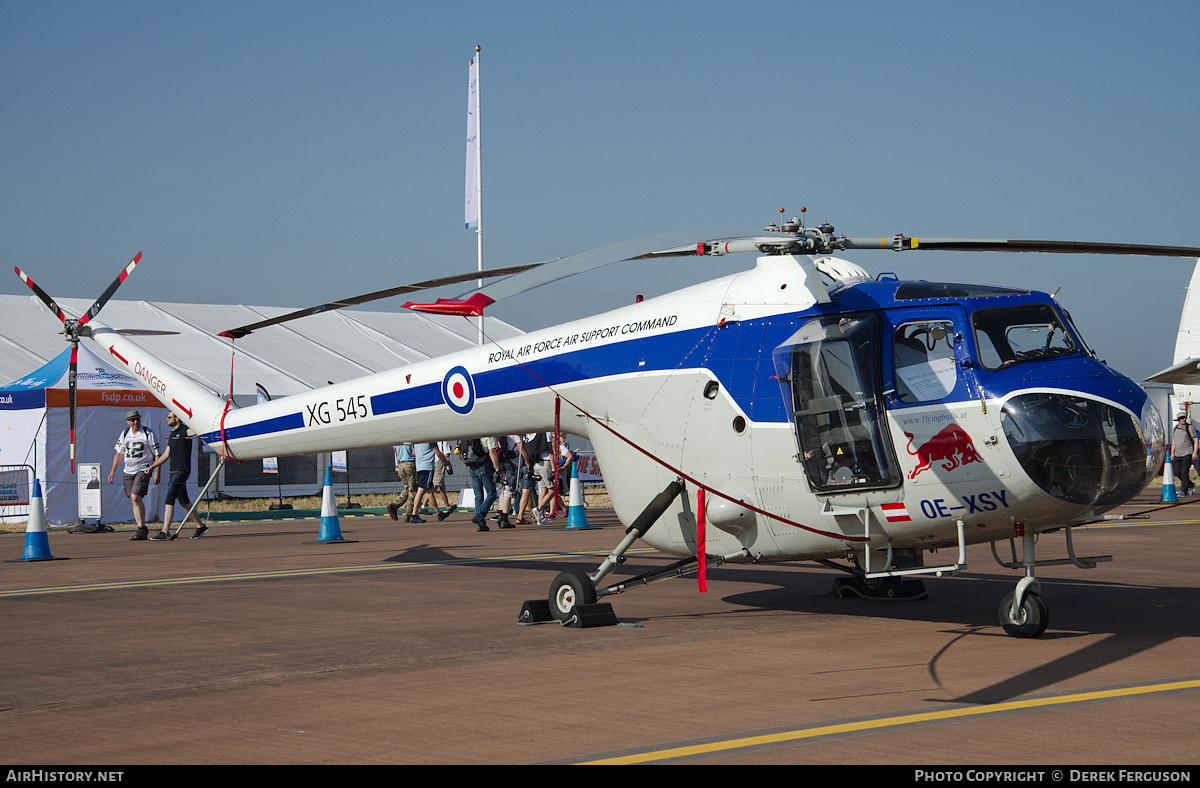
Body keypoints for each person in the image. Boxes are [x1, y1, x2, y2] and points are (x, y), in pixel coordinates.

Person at [147, 411, 207, 539]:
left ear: (177, 418)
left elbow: (194, 432)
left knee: (169, 499)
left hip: (181, 471)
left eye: (169, 417)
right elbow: (166, 454)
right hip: (174, 471)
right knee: (184, 501)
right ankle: (201, 526)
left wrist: (200, 423)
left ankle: (165, 532)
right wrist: (153, 466)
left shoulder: (185, 430)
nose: (167, 419)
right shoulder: (172, 434)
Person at [108, 409, 160, 541]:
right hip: (128, 470)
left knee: (135, 496)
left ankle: (142, 528)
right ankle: (141, 528)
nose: (135, 422)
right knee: (133, 499)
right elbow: (119, 453)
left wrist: (157, 471)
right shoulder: (125, 433)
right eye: (132, 420)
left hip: (143, 469)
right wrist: (112, 471)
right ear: (128, 422)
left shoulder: (148, 433)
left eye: (137, 419)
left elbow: (157, 454)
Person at [459, 436, 499, 532]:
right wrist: (497, 468)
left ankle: (480, 524)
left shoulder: (473, 433)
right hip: (483, 465)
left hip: (472, 466)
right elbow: (492, 451)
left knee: (478, 496)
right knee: (492, 493)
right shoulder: (488, 435)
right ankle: (479, 516)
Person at [386, 444, 418, 521]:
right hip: (410, 463)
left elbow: (396, 453)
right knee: (412, 490)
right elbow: (414, 452)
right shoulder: (411, 441)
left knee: (407, 488)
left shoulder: (397, 442)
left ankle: (395, 505)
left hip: (401, 464)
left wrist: (399, 466)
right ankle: (409, 514)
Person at [1172, 412, 1198, 495]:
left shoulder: (1189, 427)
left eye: (1184, 418)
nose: (1184, 419)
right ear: (1178, 419)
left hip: (1187, 453)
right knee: (1177, 471)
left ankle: (1184, 491)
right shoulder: (1175, 428)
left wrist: (1194, 453)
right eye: (1182, 418)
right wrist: (1172, 452)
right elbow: (1174, 440)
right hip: (1177, 454)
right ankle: (1190, 484)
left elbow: (1196, 440)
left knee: (1184, 472)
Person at [432, 441, 456, 520]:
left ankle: (448, 506)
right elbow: (446, 454)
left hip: (434, 462)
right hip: (440, 462)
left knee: (442, 487)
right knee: (435, 486)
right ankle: (423, 506)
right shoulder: (444, 440)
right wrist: (447, 462)